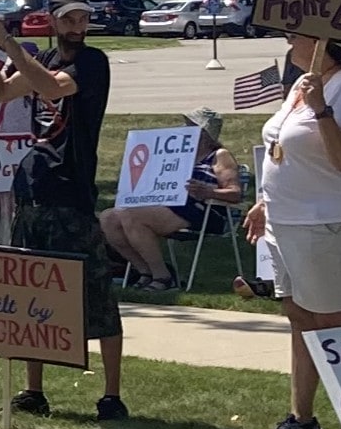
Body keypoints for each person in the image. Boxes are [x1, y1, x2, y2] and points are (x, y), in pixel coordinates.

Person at [0, 0, 127, 421]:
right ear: (53, 20)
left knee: (97, 297)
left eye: (83, 18)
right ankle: (33, 391)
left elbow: (52, 90)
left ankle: (111, 395)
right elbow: (2, 92)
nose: (78, 26)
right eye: (69, 18)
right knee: (33, 296)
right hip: (34, 193)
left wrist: (9, 43)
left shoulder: (93, 63)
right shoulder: (50, 58)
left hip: (72, 194)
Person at [243, 34, 341, 429]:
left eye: (294, 32)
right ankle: (301, 416)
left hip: (326, 224)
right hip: (285, 222)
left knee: (335, 322)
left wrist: (321, 108)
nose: (287, 37)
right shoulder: (301, 83)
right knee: (300, 317)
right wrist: (264, 200)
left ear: (322, 39)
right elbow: (281, 149)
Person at [100, 106, 242, 291]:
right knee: (109, 218)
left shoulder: (219, 156)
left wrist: (209, 192)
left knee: (131, 215)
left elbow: (235, 193)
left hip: (205, 210)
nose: (185, 128)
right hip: (169, 205)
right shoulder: (176, 153)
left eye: (192, 126)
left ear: (206, 133)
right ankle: (145, 271)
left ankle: (164, 277)